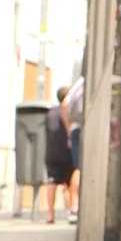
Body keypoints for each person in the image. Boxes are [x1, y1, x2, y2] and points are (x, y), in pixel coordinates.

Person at [43, 85, 76, 224]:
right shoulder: (69, 111)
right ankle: (71, 211)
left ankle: (50, 214)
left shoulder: (49, 113)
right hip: (67, 152)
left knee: (52, 182)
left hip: (51, 152)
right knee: (69, 183)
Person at [62, 75, 84, 224]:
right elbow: (65, 103)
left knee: (79, 168)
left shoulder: (81, 82)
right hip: (79, 128)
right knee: (79, 168)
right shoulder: (83, 82)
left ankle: (74, 206)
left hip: (77, 128)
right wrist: (69, 128)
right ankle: (74, 206)